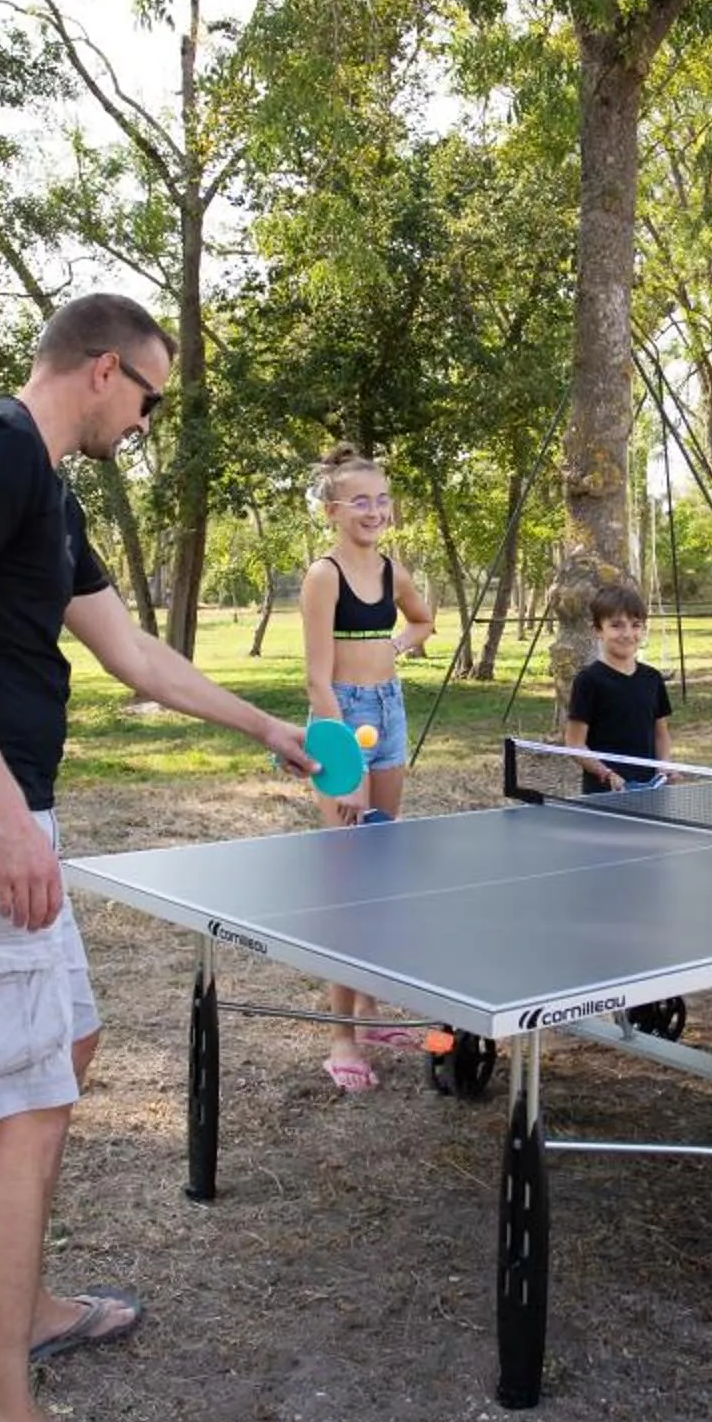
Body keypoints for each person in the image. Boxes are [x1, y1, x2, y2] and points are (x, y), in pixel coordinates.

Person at [0, 291, 313, 1422]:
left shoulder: (47, 492)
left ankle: (34, 1304)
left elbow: (137, 658)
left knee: (64, 1049)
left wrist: (265, 722)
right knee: (17, 1109)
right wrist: (6, 815)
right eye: (151, 397)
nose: (150, 419)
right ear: (105, 369)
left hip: (3, 817)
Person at [296, 445, 438, 1091]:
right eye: (359, 501)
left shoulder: (390, 570)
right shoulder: (322, 577)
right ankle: (341, 1037)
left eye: (381, 500)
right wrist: (344, 765)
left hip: (390, 712)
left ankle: (373, 1007)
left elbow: (424, 620)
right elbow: (316, 681)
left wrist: (399, 645)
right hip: (341, 717)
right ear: (332, 510)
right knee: (347, 882)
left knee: (379, 864)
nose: (373, 511)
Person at [564, 582, 673, 795]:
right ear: (597, 630)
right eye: (616, 625)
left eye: (635, 625)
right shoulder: (588, 680)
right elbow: (575, 743)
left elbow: (661, 734)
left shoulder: (652, 678)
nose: (627, 633)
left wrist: (665, 765)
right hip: (605, 795)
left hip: (651, 791)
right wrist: (606, 774)